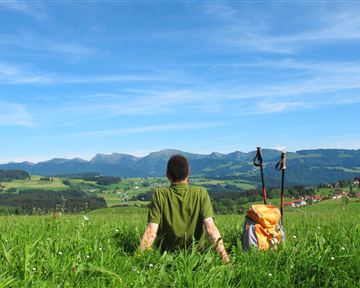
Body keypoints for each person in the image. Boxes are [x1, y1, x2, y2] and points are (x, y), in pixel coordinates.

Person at [139, 155, 229, 263]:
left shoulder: (160, 194)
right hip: (195, 259)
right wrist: (225, 260)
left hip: (165, 258)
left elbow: (151, 231)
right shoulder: (201, 193)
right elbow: (210, 229)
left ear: (167, 175)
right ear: (188, 173)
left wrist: (139, 259)